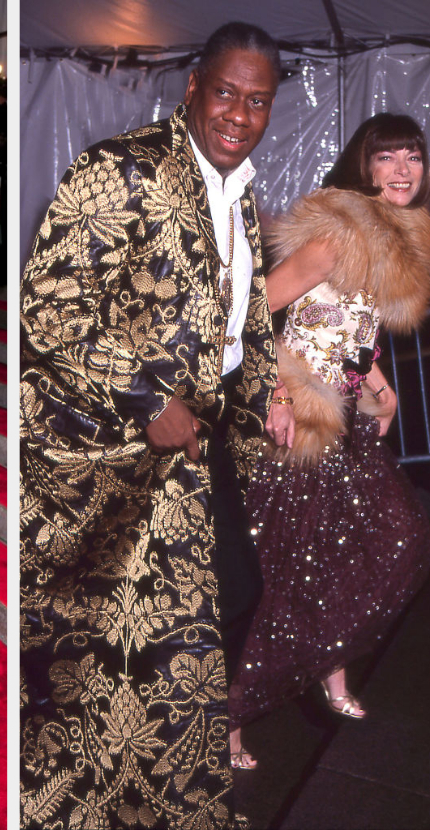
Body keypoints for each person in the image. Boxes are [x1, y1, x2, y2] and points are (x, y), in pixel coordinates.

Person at [20, 22, 282, 827]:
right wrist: (144, 396)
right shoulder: (121, 170)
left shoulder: (240, 193)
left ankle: (157, 786)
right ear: (194, 87)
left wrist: (270, 391)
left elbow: (246, 318)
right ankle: (100, 794)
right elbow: (48, 307)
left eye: (258, 102)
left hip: (201, 447)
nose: (239, 114)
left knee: (215, 608)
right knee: (122, 643)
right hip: (116, 456)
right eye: (227, 93)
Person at [227, 112, 430, 768]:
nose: (402, 171)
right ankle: (228, 714)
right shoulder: (339, 231)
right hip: (300, 419)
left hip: (343, 411)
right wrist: (278, 394)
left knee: (390, 537)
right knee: (277, 570)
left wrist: (379, 385)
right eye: (388, 158)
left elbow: (345, 325)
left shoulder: (396, 240)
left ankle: (329, 669)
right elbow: (261, 312)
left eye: (413, 158)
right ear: (364, 167)